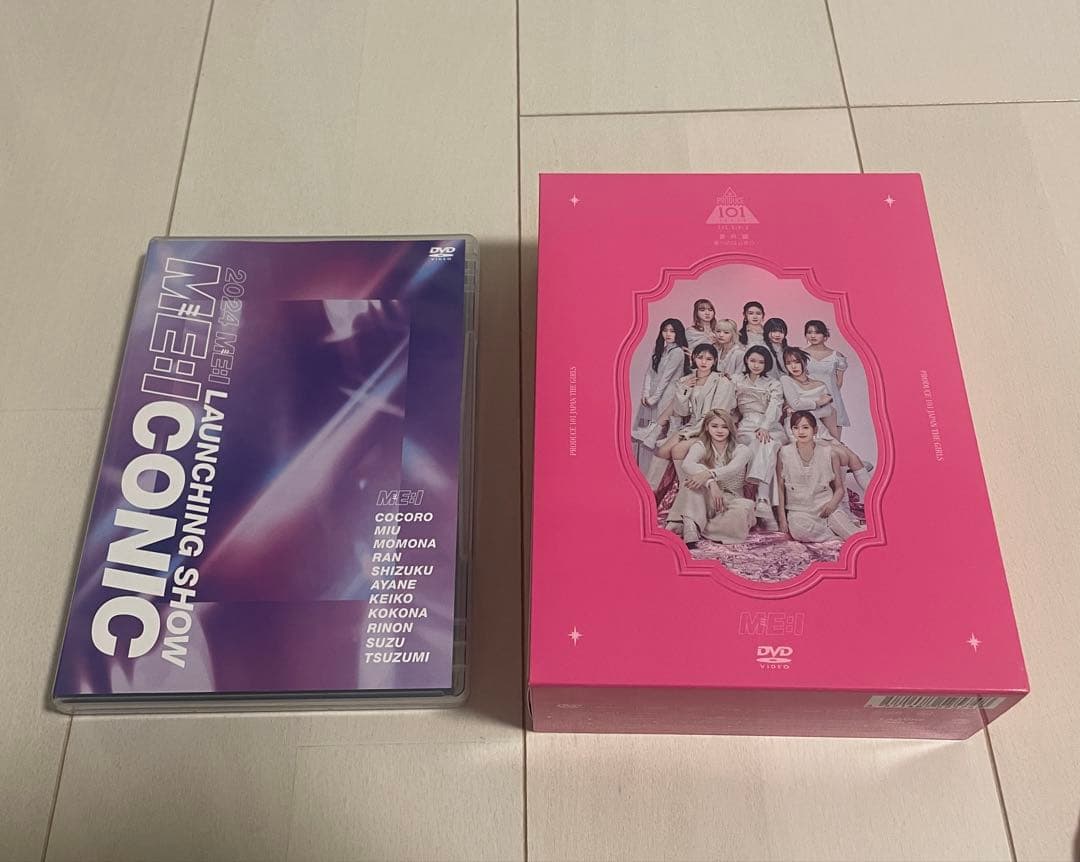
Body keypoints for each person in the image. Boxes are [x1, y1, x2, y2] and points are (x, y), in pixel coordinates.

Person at [779, 347, 873, 495]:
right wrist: (818, 402)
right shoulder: (786, 380)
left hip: (819, 429)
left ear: (805, 362)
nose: (793, 366)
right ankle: (845, 502)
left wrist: (804, 410)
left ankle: (875, 496)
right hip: (799, 430)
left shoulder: (820, 384)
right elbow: (796, 404)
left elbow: (828, 411)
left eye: (796, 362)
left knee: (853, 458)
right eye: (788, 363)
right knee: (839, 456)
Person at [665, 409, 754, 547]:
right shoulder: (700, 446)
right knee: (691, 483)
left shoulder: (742, 450)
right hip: (705, 499)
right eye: (714, 426)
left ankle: (695, 522)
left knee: (742, 510)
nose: (719, 430)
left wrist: (708, 474)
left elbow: (732, 469)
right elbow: (687, 464)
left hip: (730, 500)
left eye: (724, 427)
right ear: (707, 427)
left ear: (730, 429)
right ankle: (691, 528)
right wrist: (711, 483)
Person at [776, 411, 863, 542]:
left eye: (805, 427)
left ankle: (845, 532)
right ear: (792, 430)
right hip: (800, 512)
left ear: (815, 430)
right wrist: (782, 518)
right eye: (796, 428)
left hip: (826, 507)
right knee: (799, 531)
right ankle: (834, 537)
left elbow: (839, 489)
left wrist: (832, 505)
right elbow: (780, 487)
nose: (801, 432)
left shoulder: (830, 454)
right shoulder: (784, 453)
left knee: (853, 535)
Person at [733, 346, 787, 528]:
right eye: (753, 360)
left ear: (767, 364)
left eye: (761, 362)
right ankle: (765, 507)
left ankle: (762, 499)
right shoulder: (736, 380)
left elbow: (775, 406)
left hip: (772, 426)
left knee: (767, 441)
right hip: (747, 425)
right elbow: (729, 404)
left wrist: (765, 426)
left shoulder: (773, 383)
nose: (756, 365)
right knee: (762, 443)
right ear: (746, 360)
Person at [634, 319, 690, 484]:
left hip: (669, 394)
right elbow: (649, 373)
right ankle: (642, 473)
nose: (668, 334)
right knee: (647, 436)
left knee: (661, 434)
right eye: (665, 330)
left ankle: (656, 479)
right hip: (653, 394)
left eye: (672, 331)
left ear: (678, 333)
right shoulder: (661, 349)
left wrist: (654, 398)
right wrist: (646, 393)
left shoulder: (677, 352)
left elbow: (666, 378)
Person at [803, 319, 850, 438]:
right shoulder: (801, 354)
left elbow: (838, 383)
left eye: (817, 332)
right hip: (809, 398)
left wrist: (829, 397)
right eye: (809, 332)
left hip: (832, 399)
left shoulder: (836, 356)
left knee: (835, 440)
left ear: (825, 335)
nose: (813, 336)